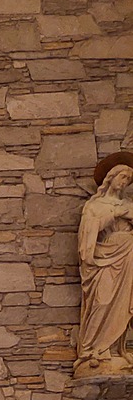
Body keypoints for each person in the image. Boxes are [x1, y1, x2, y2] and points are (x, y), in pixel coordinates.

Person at [77, 157, 133, 369]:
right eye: (122, 177)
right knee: (101, 301)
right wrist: (115, 213)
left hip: (128, 256)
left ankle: (116, 349)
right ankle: (90, 349)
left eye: (128, 180)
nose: (124, 182)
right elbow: (89, 231)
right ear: (111, 177)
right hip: (104, 257)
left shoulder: (129, 205)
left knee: (124, 304)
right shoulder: (95, 205)